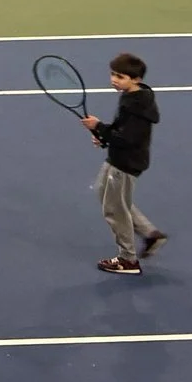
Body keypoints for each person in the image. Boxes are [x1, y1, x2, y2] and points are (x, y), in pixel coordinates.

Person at [80, 53, 165, 275]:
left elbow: (128, 139)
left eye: (121, 76)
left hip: (126, 164)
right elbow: (121, 130)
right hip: (118, 158)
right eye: (113, 74)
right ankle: (150, 234)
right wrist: (105, 136)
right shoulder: (131, 97)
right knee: (104, 192)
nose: (114, 80)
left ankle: (128, 260)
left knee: (114, 209)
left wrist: (99, 127)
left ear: (135, 79)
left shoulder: (137, 107)